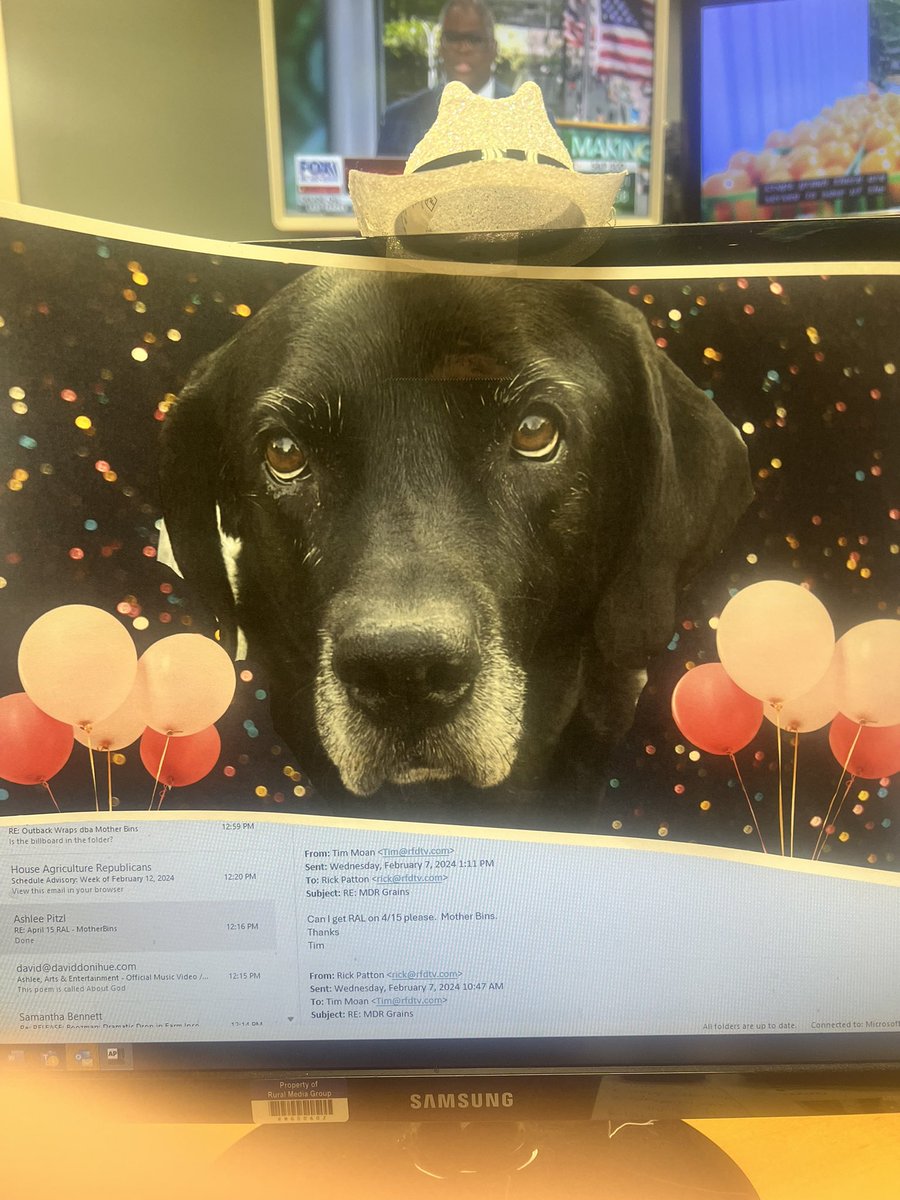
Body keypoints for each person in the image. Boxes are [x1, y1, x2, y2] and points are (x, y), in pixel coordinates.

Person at [377, 0, 511, 157]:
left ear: (493, 49)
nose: (463, 48)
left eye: (474, 39)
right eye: (453, 38)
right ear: (440, 47)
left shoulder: (529, 119)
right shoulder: (399, 120)